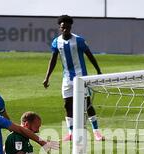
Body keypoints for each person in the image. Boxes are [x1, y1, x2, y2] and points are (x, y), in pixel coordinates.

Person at [43, 14, 105, 142]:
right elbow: (53, 60)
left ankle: (96, 132)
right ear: (60, 28)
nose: (65, 29)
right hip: (67, 78)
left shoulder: (79, 40)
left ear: (71, 27)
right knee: (67, 105)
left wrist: (98, 70)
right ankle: (71, 132)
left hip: (81, 76)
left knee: (87, 104)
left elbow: (90, 55)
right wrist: (47, 77)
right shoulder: (56, 42)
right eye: (62, 27)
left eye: (67, 27)